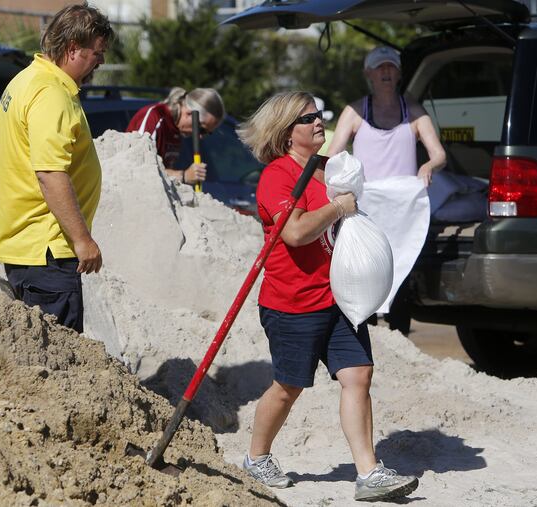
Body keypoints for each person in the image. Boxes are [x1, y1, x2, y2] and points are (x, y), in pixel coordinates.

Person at [237, 91, 419, 501]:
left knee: (359, 375)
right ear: (287, 134)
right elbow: (296, 232)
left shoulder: (328, 170)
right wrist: (339, 207)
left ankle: (369, 472)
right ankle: (257, 456)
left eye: (318, 115)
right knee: (288, 386)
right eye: (307, 118)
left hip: (339, 298)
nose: (318, 122)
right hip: (291, 302)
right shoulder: (277, 176)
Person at [0, 3, 114, 333]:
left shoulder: (26, 80)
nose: (100, 61)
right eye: (97, 52)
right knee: (58, 368)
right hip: (47, 254)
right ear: (73, 48)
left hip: (27, 249)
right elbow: (49, 173)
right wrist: (82, 239)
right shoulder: (50, 94)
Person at [327, 46, 446, 333]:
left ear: (399, 73)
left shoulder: (414, 112)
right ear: (368, 73)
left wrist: (428, 167)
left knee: (400, 268)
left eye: (391, 67)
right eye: (380, 68)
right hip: (367, 206)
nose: (386, 73)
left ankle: (399, 335)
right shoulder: (355, 111)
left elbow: (439, 155)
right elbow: (333, 155)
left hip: (403, 209)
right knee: (366, 269)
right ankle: (365, 334)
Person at [126, 87, 225, 185]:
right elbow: (138, 167)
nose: (200, 137)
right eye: (202, 129)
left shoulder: (176, 130)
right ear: (189, 113)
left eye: (208, 133)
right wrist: (183, 176)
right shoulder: (155, 117)